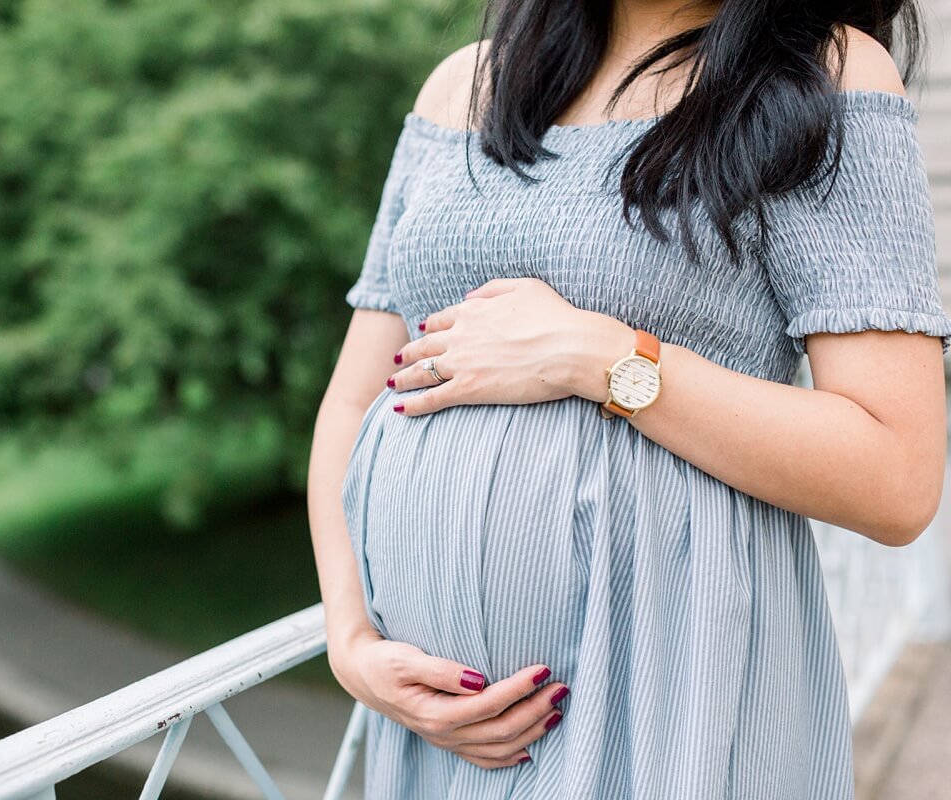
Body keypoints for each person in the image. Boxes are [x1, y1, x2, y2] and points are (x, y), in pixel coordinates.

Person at [305, 1, 951, 797]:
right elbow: (353, 402)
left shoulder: (822, 75)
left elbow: (897, 472)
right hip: (438, 732)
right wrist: (352, 643)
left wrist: (602, 358)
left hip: (674, 706)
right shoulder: (460, 90)